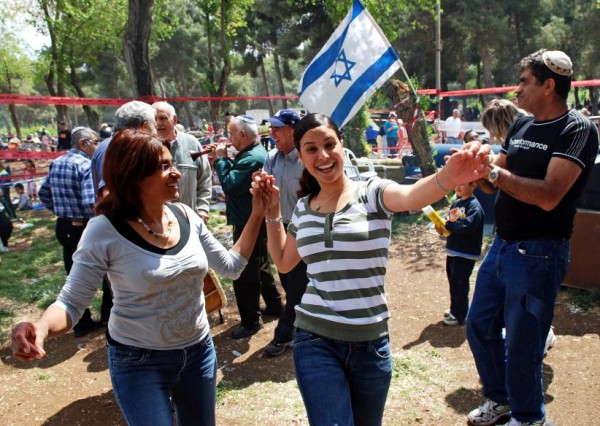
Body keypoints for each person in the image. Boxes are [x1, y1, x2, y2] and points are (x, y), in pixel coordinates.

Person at [11, 129, 267, 426]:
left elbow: (232, 266)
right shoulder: (104, 230)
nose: (176, 173)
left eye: (172, 164)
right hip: (139, 363)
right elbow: (71, 302)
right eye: (163, 167)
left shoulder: (185, 215)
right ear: (131, 175)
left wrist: (258, 213)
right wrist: (41, 327)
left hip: (198, 354)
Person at [251, 113, 489, 425]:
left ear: (341, 145)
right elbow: (283, 261)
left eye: (328, 144)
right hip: (315, 338)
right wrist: (271, 213)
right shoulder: (304, 207)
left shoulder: (371, 192)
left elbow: (411, 195)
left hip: (371, 344)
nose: (322, 155)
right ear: (300, 155)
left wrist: (449, 175)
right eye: (311, 149)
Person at [466, 49, 599, 426]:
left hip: (540, 252)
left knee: (523, 344)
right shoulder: (522, 126)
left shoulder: (577, 129)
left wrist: (492, 172)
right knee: (479, 325)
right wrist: (474, 168)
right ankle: (501, 400)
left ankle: (529, 418)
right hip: (503, 246)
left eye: (524, 81)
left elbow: (548, 195)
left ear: (548, 85)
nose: (516, 88)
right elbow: (494, 186)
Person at [212, 114, 283, 339]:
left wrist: (221, 160)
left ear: (243, 135)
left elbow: (231, 185)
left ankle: (250, 320)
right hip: (251, 217)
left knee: (244, 270)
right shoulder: (251, 154)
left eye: (231, 134)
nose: (229, 138)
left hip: (247, 220)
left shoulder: (252, 158)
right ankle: (274, 305)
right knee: (259, 263)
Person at [38, 127, 103, 337]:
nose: (98, 145)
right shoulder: (86, 164)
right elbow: (88, 202)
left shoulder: (57, 162)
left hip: (64, 226)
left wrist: (60, 210)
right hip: (83, 226)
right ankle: (109, 315)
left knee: (72, 272)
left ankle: (81, 322)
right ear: (83, 143)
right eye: (95, 141)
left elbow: (43, 193)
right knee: (105, 271)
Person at [263, 109, 308, 357]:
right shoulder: (272, 157)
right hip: (278, 227)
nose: (272, 133)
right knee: (288, 280)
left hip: (302, 230)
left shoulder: (306, 159)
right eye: (272, 128)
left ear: (293, 131)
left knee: (296, 286)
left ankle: (284, 335)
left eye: (277, 128)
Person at [153, 101, 212, 222]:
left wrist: (203, 208)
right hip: (159, 222)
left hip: (190, 220)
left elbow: (204, 178)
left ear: (174, 119)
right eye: (154, 119)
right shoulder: (147, 148)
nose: (158, 123)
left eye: (163, 118)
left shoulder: (192, 143)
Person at [435, 182, 484, 326]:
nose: (458, 187)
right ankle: (455, 308)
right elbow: (451, 223)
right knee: (454, 282)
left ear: (473, 185)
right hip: (453, 250)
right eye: (456, 184)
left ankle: (459, 314)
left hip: (466, 252)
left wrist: (449, 225)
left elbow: (468, 226)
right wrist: (442, 228)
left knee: (460, 283)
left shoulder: (474, 206)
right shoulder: (456, 203)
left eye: (462, 184)